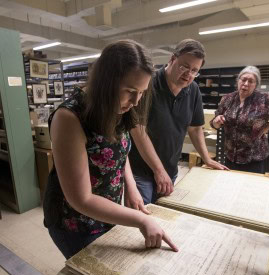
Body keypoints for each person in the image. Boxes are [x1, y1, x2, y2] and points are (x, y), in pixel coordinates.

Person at [43, 40, 178, 260]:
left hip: (107, 211)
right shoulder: (69, 117)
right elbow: (81, 199)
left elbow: (118, 151)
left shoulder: (117, 105)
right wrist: (142, 220)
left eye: (142, 92)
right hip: (75, 222)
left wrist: (131, 187)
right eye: (130, 91)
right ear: (106, 82)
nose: (135, 101)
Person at [128, 39, 227, 207]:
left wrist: (206, 158)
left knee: (164, 220)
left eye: (195, 70)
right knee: (141, 223)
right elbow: (138, 131)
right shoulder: (149, 83)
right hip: (141, 172)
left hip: (170, 170)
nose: (188, 74)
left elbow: (195, 128)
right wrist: (158, 171)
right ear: (172, 59)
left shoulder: (193, 89)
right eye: (184, 66)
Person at [210, 65, 269, 173]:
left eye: (251, 81)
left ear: (256, 84)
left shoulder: (264, 100)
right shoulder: (227, 99)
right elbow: (214, 122)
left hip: (254, 159)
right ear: (238, 80)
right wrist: (216, 122)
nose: (246, 84)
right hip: (231, 157)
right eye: (243, 79)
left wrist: (268, 127)